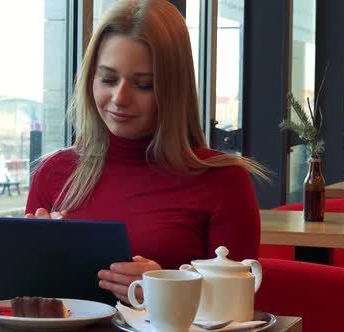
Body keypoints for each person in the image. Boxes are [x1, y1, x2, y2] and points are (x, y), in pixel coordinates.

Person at [25, 0, 265, 304]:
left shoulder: (222, 180)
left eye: (144, 85)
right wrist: (30, 261)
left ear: (173, 90)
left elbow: (236, 310)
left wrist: (168, 289)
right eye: (108, 79)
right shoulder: (54, 173)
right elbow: (27, 305)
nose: (119, 98)